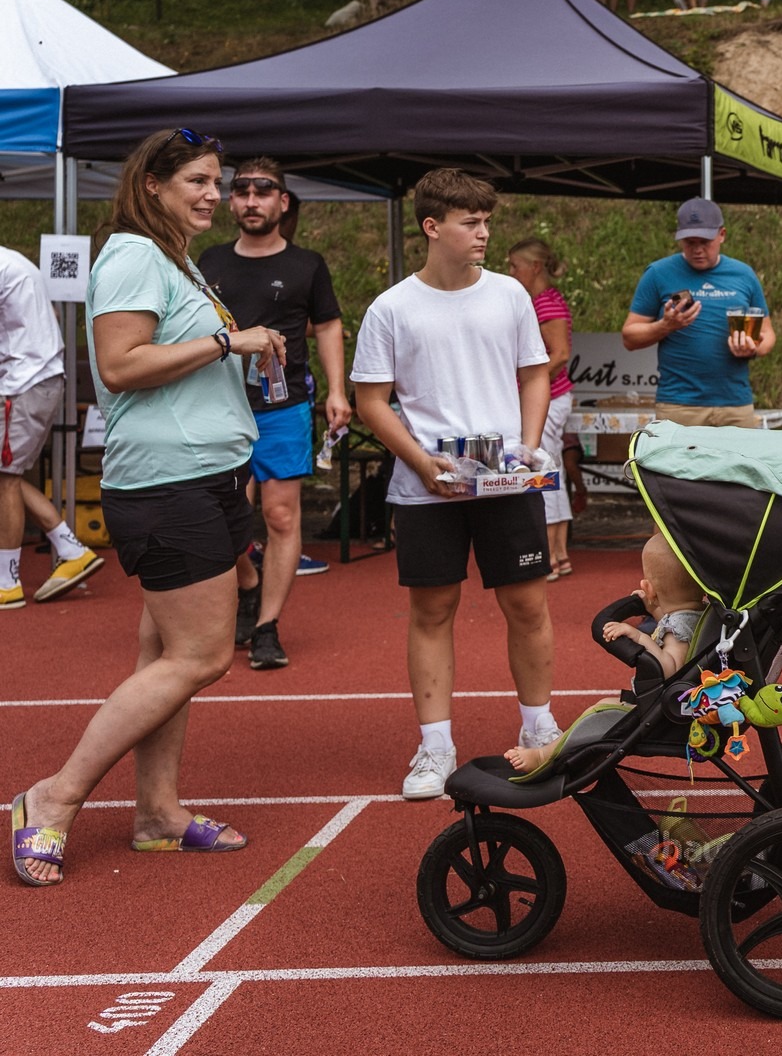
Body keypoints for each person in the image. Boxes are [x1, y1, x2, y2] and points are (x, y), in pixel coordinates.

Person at [11, 127, 283, 887]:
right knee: (202, 656)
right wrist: (229, 344)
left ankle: (158, 813)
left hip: (211, 475)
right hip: (168, 481)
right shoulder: (133, 254)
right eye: (198, 180)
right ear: (153, 185)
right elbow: (120, 365)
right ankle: (53, 796)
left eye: (217, 181)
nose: (214, 195)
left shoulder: (175, 259)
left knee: (167, 656)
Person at [349, 168, 559, 801]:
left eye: (487, 222)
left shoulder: (509, 295)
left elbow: (535, 374)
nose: (484, 234)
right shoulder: (391, 307)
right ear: (432, 227)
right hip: (427, 485)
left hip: (506, 480)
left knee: (528, 605)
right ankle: (436, 747)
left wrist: (528, 446)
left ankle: (540, 729)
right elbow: (370, 401)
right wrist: (420, 462)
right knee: (432, 611)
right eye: (471, 223)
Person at [198, 158, 351, 670]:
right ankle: (247, 580)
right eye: (241, 191)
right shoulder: (210, 260)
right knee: (227, 517)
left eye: (262, 192)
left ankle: (266, 626)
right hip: (219, 406)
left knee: (281, 516)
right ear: (231, 201)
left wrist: (337, 391)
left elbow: (327, 325)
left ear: (282, 202)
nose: (251, 200)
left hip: (283, 406)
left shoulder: (307, 264)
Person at [504, 533, 699, 773]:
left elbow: (669, 668)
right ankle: (572, 755)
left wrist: (639, 637)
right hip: (672, 704)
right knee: (604, 707)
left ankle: (543, 754)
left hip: (663, 711)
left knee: (596, 714)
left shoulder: (678, 629)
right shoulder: (695, 615)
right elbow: (675, 625)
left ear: (648, 588)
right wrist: (653, 609)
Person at [0, 246, 104, 608]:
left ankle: (7, 583)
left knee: (7, 477)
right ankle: (70, 548)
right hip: (33, 379)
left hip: (23, 382)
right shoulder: (11, 261)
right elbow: (54, 315)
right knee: (6, 474)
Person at [619, 198, 775, 429]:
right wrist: (665, 326)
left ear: (722, 235)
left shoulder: (744, 275)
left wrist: (753, 348)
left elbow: (768, 335)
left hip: (735, 404)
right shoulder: (658, 273)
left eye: (705, 242)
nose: (697, 250)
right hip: (678, 405)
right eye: (689, 242)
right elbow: (629, 338)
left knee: (741, 455)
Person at [507, 239, 574, 579]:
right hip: (551, 396)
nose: (510, 272)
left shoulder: (546, 303)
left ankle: (550, 553)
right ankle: (557, 553)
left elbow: (559, 354)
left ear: (534, 267)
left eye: (514, 266)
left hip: (549, 398)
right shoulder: (543, 300)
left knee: (543, 470)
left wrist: (528, 387)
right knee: (551, 470)